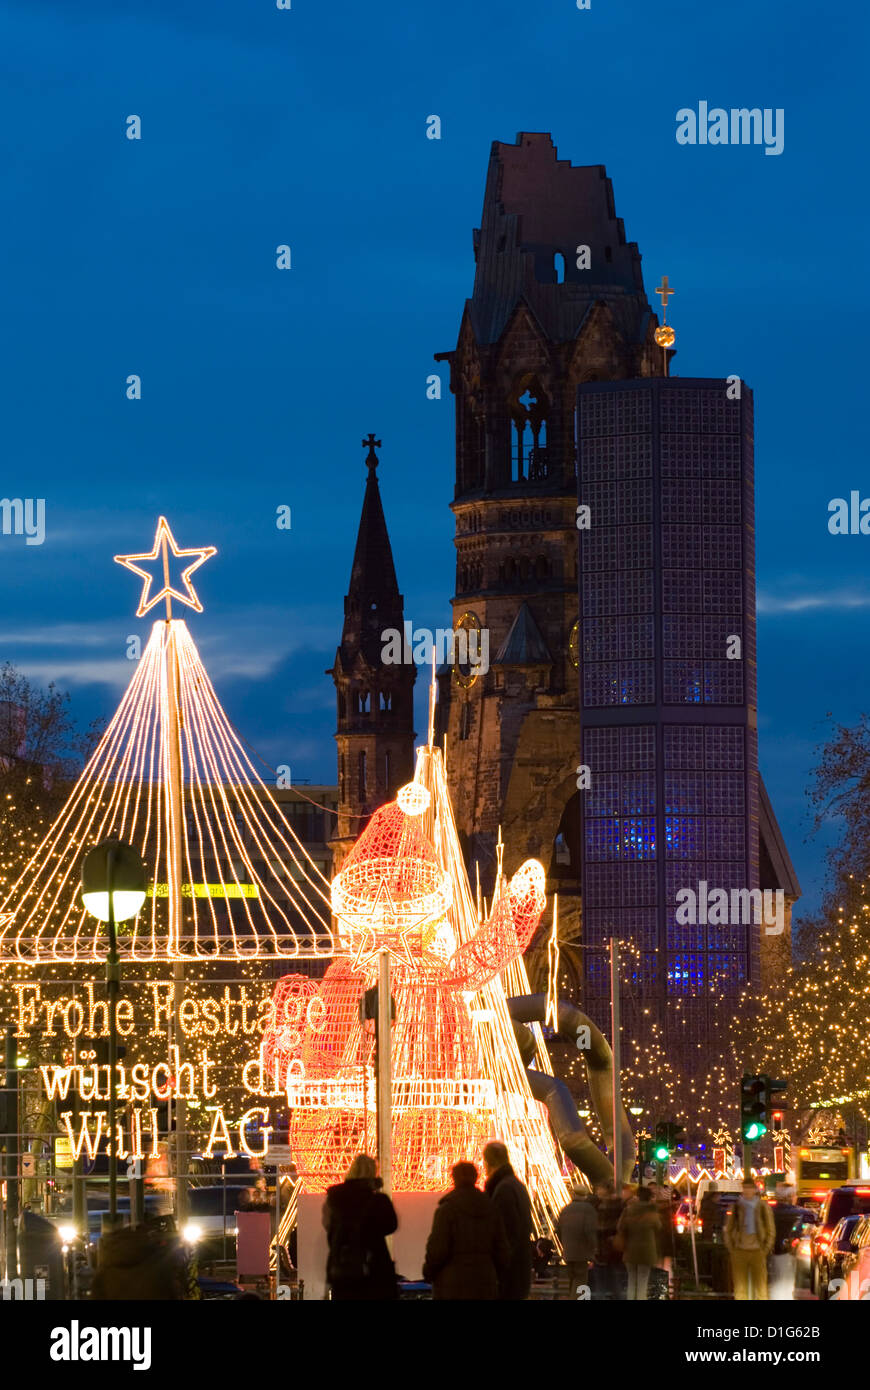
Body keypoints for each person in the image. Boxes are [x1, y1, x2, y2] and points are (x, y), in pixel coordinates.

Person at [422, 1161, 510, 1300]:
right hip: (484, 1282)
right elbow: (502, 1249)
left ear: (454, 1178)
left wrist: (428, 1272)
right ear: (476, 1177)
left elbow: (437, 1249)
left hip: (453, 1284)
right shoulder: (491, 1209)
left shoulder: (447, 1210)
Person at [322, 1153, 398, 1301]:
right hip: (374, 1270)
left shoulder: (335, 1198)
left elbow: (329, 1227)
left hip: (343, 1269)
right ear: (372, 1174)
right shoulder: (378, 1201)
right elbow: (391, 1225)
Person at [482, 1140, 534, 1300]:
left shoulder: (503, 1189)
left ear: (487, 1162)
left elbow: (506, 1234)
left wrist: (497, 1267)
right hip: (519, 1268)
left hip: (509, 1274)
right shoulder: (517, 1185)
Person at [723, 1179, 775, 1300]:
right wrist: (732, 1248)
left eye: (749, 1188)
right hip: (739, 1250)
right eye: (745, 1188)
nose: (747, 1191)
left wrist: (766, 1248)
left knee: (761, 1288)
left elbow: (770, 1229)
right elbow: (728, 1228)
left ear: (754, 1190)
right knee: (740, 1288)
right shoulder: (736, 1207)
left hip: (758, 1250)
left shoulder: (762, 1206)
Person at [617, 1186, 662, 1301]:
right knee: (643, 1281)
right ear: (649, 1198)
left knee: (631, 1280)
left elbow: (620, 1227)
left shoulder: (628, 1210)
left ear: (637, 1197)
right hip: (647, 1251)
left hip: (630, 1249)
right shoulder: (652, 1212)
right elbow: (658, 1227)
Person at [557, 1187, 598, 1297]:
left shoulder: (565, 1209)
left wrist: (565, 1244)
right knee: (580, 1281)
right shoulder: (588, 1209)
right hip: (582, 1252)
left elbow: (558, 1230)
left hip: (568, 1252)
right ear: (585, 1195)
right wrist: (594, 1249)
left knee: (572, 1279)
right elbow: (589, 1231)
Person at [769, 1184, 801, 1301]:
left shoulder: (772, 1211)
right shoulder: (797, 1213)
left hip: (775, 1250)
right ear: (790, 1196)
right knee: (785, 1281)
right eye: (794, 1194)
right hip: (787, 1252)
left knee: (778, 1279)